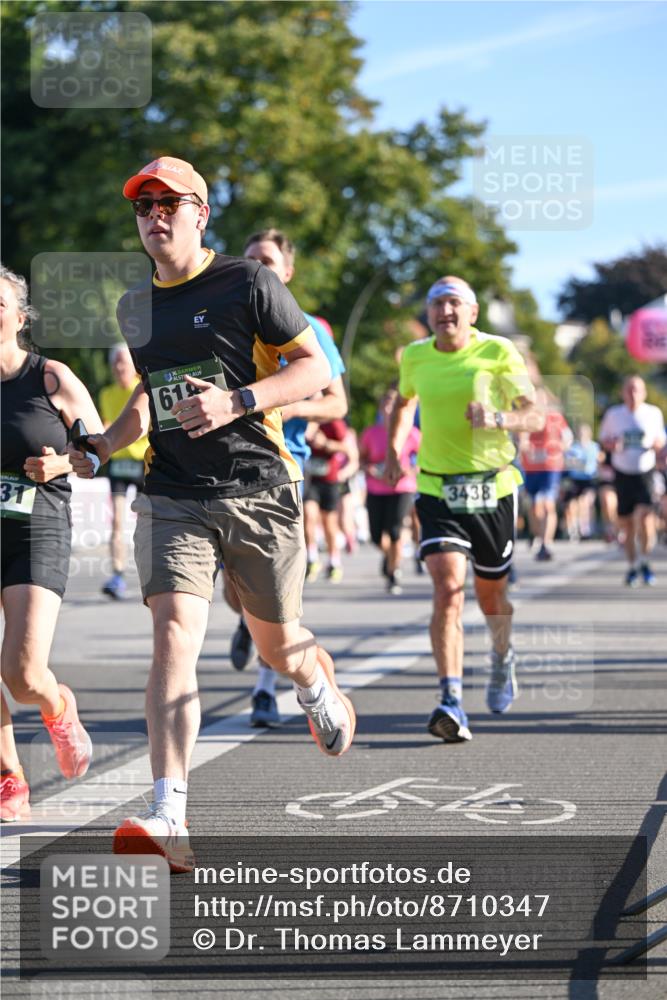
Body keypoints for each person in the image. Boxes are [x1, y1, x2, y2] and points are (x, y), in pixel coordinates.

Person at [68, 157, 355, 870]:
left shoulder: (247, 282)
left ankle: (313, 681)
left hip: (256, 486)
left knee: (276, 646)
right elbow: (147, 398)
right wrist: (104, 443)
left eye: (170, 203)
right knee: (173, 633)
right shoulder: (135, 307)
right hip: (173, 492)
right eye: (143, 206)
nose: (155, 215)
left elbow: (315, 369)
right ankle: (169, 811)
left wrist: (237, 400)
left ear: (201, 214)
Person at [386, 275, 543, 744]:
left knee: (491, 596)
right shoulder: (415, 356)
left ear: (472, 313)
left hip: (492, 488)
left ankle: (501, 656)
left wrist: (497, 418)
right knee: (448, 588)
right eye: (436, 305)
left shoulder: (498, 352)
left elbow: (533, 416)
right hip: (437, 488)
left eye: (454, 304)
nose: (444, 312)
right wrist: (396, 451)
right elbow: (403, 402)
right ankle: (451, 698)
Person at [224, 229, 347, 728]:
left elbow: (337, 403)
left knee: (278, 598)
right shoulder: (226, 317)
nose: (259, 269)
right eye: (251, 259)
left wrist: (286, 400)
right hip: (229, 470)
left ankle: (265, 690)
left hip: (283, 468)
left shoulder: (311, 326)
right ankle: (242, 619)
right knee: (237, 593)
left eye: (269, 261)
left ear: (287, 272)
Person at [1, 266, 100, 821]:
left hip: (37, 526)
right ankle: (8, 776)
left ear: (19, 317)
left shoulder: (50, 378)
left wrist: (60, 460)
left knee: (22, 672)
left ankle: (58, 707)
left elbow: (97, 449)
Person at [599, 375, 666, 586]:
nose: (633, 394)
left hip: (645, 471)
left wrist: (656, 445)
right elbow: (604, 440)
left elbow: (661, 441)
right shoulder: (613, 414)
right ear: (623, 392)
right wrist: (613, 445)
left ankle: (645, 560)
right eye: (629, 389)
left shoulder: (653, 413)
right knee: (627, 525)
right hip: (623, 472)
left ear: (644, 393)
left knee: (646, 519)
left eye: (637, 389)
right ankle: (632, 566)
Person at [98, 344, 149, 599]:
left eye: (124, 364)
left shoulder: (142, 390)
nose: (119, 369)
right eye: (115, 364)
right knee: (117, 520)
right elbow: (107, 425)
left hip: (142, 462)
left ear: (134, 367)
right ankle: (118, 576)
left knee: (146, 522)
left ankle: (149, 575)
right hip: (119, 464)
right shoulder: (107, 394)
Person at [360, 386, 421, 594]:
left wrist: (410, 470)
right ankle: (390, 556)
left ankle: (394, 573)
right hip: (376, 488)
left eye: (393, 404)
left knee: (395, 530)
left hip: (402, 488)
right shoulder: (371, 433)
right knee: (376, 536)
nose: (389, 408)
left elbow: (425, 460)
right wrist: (369, 468)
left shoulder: (412, 434)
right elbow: (361, 458)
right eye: (386, 403)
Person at [519, 389, 573, 561]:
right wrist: (526, 446)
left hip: (551, 467)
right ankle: (537, 535)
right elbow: (522, 440)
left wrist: (560, 446)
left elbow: (568, 438)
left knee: (547, 503)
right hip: (532, 468)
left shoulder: (555, 418)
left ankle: (546, 543)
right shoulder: (527, 419)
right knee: (535, 506)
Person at [303, 418, 349, 582]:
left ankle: (334, 561)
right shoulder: (305, 419)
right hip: (310, 478)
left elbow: (346, 448)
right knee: (308, 516)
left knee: (329, 522)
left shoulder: (334, 422)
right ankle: (312, 558)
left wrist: (325, 443)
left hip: (330, 479)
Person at [561, 423, 600, 540]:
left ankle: (586, 528)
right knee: (572, 505)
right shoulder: (573, 448)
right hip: (576, 479)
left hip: (589, 479)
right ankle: (573, 528)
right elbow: (568, 464)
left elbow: (599, 461)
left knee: (586, 502)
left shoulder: (595, 447)